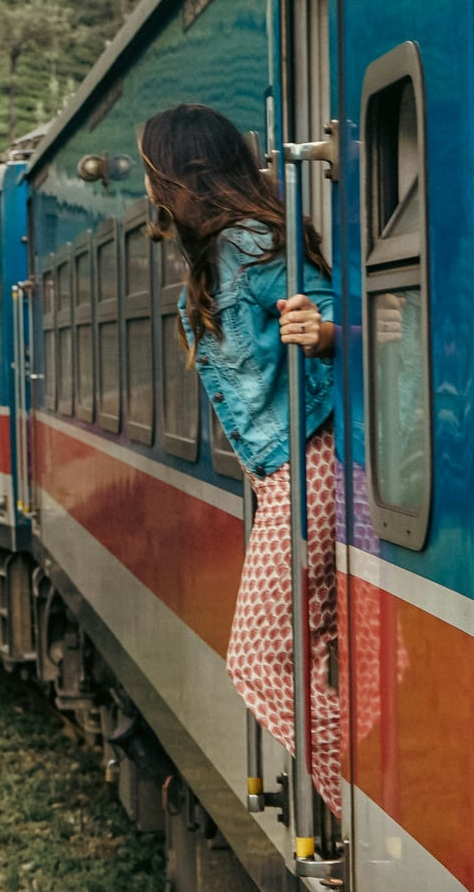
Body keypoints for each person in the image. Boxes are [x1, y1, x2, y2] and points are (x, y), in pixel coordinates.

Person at [139, 102, 344, 817]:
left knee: (258, 663)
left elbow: (329, 313)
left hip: (306, 465)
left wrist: (321, 332)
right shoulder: (218, 251)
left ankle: (359, 802)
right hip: (283, 473)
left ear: (184, 174)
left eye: (153, 172)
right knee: (311, 652)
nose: (149, 189)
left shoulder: (254, 243)